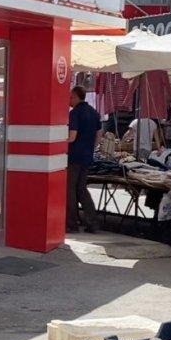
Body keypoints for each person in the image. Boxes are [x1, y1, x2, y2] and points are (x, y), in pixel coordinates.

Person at [66, 86, 101, 233]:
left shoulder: (74, 113)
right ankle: (92, 222)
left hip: (74, 156)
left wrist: (60, 141)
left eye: (69, 97)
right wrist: (89, 148)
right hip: (87, 156)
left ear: (75, 96)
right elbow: (99, 136)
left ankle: (72, 223)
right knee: (82, 189)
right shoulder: (94, 113)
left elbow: (72, 136)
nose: (68, 100)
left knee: (70, 190)